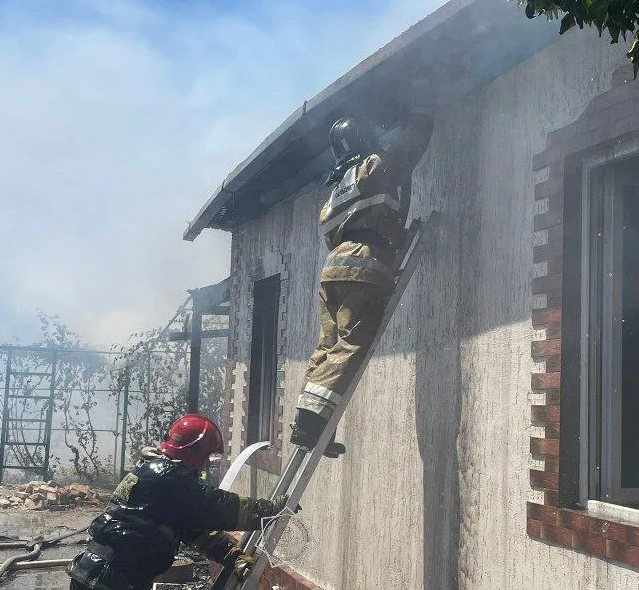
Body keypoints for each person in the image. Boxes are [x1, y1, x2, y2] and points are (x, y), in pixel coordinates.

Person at [289, 108, 434, 457]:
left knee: (327, 347)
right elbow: (404, 153)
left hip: (332, 271)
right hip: (364, 265)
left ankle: (309, 424)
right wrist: (422, 117)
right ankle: (312, 423)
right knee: (351, 346)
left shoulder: (335, 192)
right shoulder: (369, 169)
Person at [67, 413, 291, 590]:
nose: (205, 466)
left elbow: (192, 529)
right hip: (109, 579)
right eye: (206, 458)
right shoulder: (167, 476)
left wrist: (233, 556)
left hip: (103, 575)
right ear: (193, 452)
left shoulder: (156, 473)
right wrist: (268, 510)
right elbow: (212, 507)